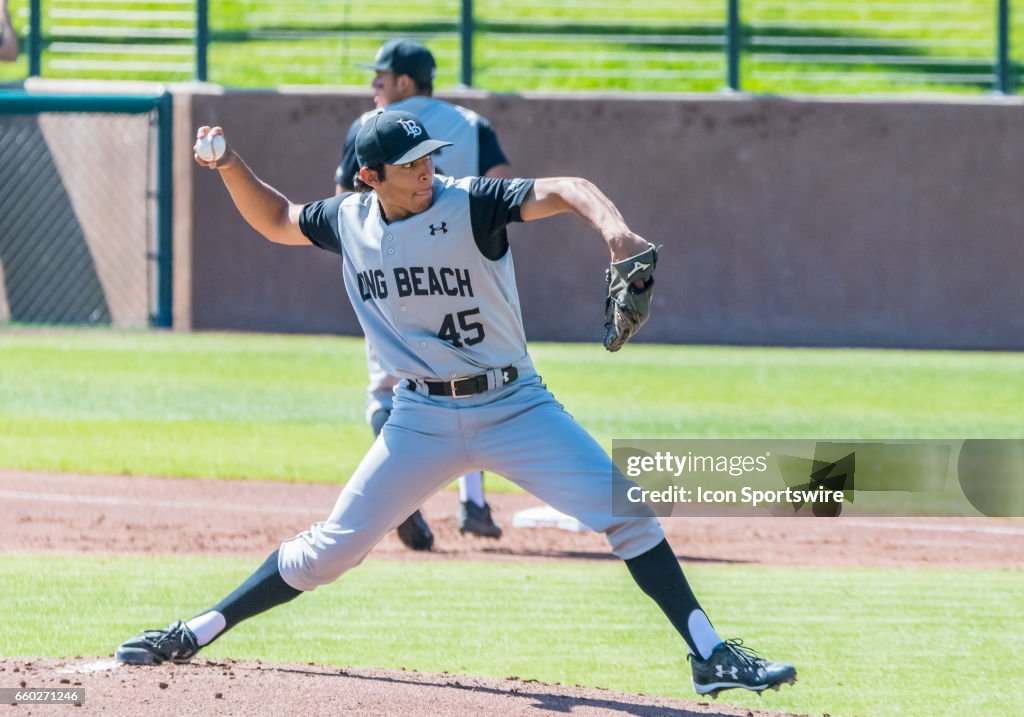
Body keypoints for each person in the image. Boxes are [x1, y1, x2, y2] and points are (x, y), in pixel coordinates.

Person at [114, 111, 798, 699]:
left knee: (627, 510)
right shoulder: (347, 221)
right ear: (368, 177)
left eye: (429, 158)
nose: (426, 172)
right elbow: (276, 218)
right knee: (330, 551)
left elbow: (566, 187)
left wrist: (614, 231)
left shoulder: (470, 202)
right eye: (409, 165)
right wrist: (230, 161)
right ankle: (196, 628)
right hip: (420, 419)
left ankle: (710, 653)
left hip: (516, 405)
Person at [338, 38, 513, 550]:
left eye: (380, 77)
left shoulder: (370, 130)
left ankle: (402, 501)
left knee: (386, 390)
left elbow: (345, 207)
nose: (374, 86)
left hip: (397, 281)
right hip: (464, 279)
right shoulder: (474, 124)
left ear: (404, 83)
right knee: (472, 378)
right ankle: (474, 503)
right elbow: (503, 185)